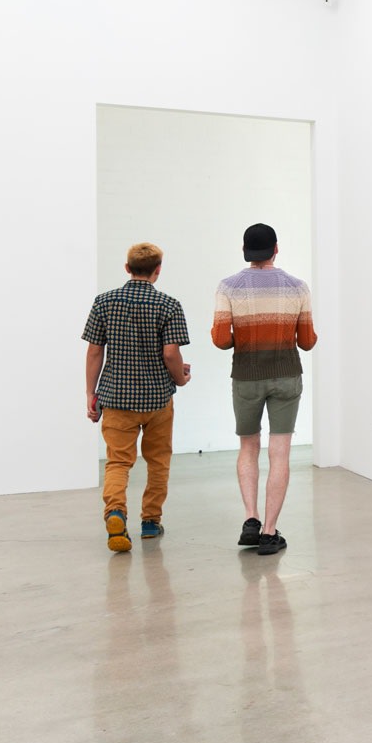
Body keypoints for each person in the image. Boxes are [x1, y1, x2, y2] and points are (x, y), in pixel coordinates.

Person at [211, 223, 317, 556]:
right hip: (286, 375)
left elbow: (220, 339)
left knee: (248, 446)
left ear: (246, 251)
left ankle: (251, 519)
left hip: (246, 376)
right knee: (280, 452)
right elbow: (308, 341)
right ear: (276, 249)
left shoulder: (228, 287)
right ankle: (270, 533)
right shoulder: (297, 287)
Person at [83, 242, 192, 552]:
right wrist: (180, 378)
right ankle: (150, 521)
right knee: (158, 462)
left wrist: (91, 393)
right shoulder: (168, 305)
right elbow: (170, 353)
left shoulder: (104, 302)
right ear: (158, 270)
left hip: (117, 398)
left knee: (118, 462)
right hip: (158, 398)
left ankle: (115, 513)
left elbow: (94, 351)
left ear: (127, 268)